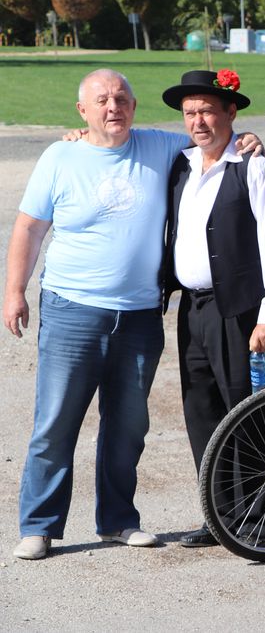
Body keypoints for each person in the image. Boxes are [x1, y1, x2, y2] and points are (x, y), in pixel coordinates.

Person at [3, 69, 190, 560]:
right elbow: (28, 229)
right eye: (103, 100)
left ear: (134, 105)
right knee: (56, 422)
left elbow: (209, 137)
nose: (114, 107)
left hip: (140, 316)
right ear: (82, 111)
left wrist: (249, 139)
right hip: (71, 310)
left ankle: (119, 521)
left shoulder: (160, 147)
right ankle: (39, 525)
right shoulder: (61, 156)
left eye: (123, 98)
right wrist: (14, 291)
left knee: (128, 426)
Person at [160, 70, 265, 547]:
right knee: (202, 411)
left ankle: (258, 519)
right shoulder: (181, 164)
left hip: (241, 309)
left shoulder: (254, 167)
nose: (198, 121)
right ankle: (219, 516)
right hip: (193, 310)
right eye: (190, 113)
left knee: (249, 412)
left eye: (207, 111)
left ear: (230, 113)